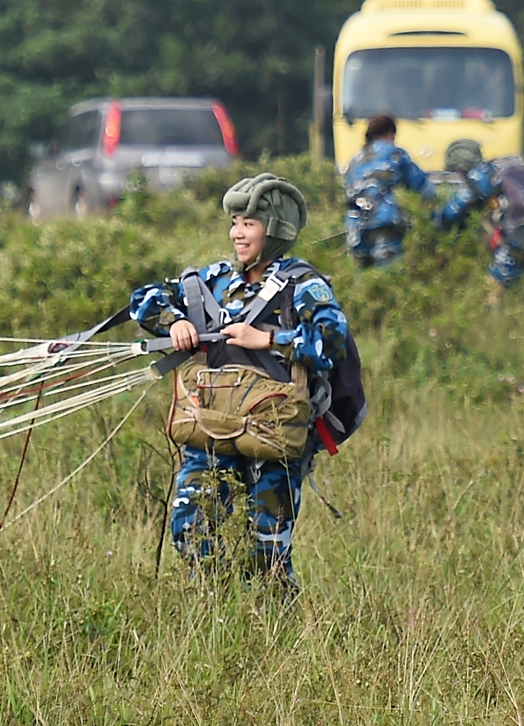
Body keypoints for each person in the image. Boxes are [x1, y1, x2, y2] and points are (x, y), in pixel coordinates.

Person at [130, 174, 349, 586]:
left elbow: (331, 343)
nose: (237, 233)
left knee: (267, 552)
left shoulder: (303, 285)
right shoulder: (214, 279)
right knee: (190, 528)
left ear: (276, 229)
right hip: (211, 427)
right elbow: (143, 299)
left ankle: (276, 635)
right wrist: (174, 321)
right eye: (234, 222)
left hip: (275, 434)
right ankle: (213, 612)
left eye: (249, 223)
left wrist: (268, 339)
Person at [434, 138, 524, 306]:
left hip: (519, 233)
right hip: (517, 231)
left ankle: (494, 325)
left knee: (495, 282)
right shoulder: (509, 163)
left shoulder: (479, 177)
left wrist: (432, 222)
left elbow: (451, 214)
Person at [344, 115, 435, 267]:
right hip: (384, 220)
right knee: (389, 270)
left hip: (356, 225)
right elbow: (422, 186)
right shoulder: (395, 154)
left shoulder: (356, 159)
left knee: (363, 276)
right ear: (389, 133)